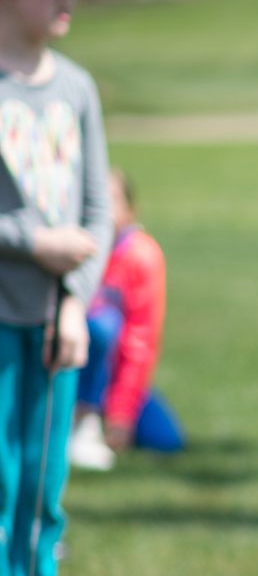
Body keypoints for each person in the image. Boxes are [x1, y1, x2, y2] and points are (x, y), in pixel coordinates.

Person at [0, 0, 112, 576]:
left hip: (56, 327)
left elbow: (99, 210)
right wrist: (29, 243)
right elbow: (40, 228)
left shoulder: (77, 88)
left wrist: (74, 300)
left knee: (43, 488)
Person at [70, 167, 184, 470]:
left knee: (166, 440)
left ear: (131, 210)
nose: (104, 210)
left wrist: (122, 411)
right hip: (66, 370)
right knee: (99, 325)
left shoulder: (141, 256)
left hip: (114, 375)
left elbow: (140, 341)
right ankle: (81, 422)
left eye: (114, 201)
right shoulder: (68, 249)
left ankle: (100, 416)